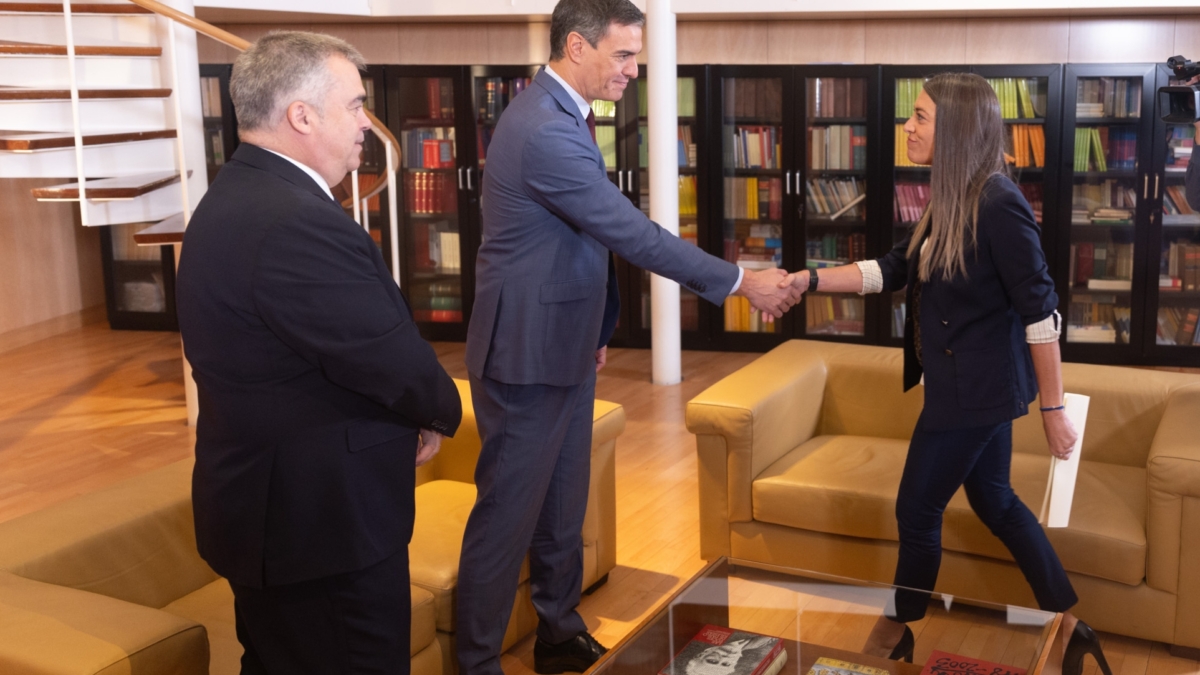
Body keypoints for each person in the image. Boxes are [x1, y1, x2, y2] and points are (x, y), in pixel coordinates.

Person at [456, 1, 801, 674]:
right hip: (526, 350)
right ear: (576, 47)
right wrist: (741, 281)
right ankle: (475, 664)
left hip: (563, 339)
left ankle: (557, 630)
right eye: (623, 56)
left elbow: (578, 236)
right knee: (507, 517)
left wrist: (594, 323)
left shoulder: (562, 115)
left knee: (563, 501)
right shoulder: (542, 128)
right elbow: (628, 232)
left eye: (635, 56)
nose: (634, 70)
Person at [780, 73, 1111, 675]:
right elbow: (894, 269)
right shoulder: (950, 195)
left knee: (916, 509)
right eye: (912, 115)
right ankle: (1070, 626)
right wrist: (808, 280)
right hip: (969, 388)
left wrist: (1055, 410)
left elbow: (1040, 311)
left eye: (921, 117)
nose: (908, 126)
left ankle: (897, 630)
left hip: (973, 396)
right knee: (997, 502)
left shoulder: (998, 201)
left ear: (956, 128)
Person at [176, 31, 462, 674]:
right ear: (301, 116)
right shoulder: (292, 220)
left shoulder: (233, 197)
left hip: (272, 513)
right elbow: (383, 354)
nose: (366, 123)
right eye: (356, 105)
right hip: (317, 528)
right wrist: (439, 410)